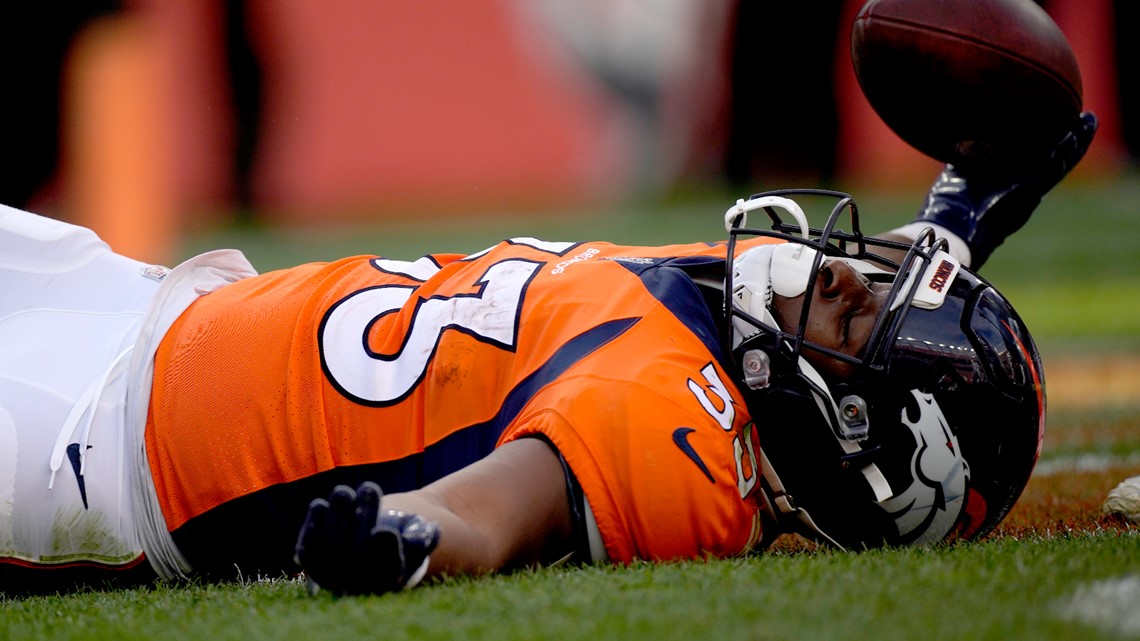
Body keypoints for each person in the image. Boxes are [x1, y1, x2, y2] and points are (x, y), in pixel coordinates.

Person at [0, 113, 1097, 596]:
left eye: (860, 315)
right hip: (135, 298)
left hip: (88, 446)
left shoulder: (687, 430)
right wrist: (964, 210)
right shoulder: (758, 307)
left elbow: (499, 505)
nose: (847, 274)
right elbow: (903, 314)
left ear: (841, 423)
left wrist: (408, 533)